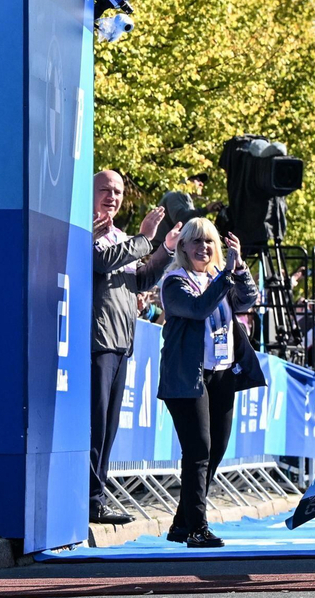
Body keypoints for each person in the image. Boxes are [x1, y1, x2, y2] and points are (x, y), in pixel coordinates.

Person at [158, 218, 265, 548]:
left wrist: (240, 268)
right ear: (183, 246)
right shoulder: (174, 281)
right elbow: (198, 308)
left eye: (209, 242)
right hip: (187, 376)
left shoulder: (221, 277)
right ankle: (197, 528)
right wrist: (225, 277)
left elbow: (247, 300)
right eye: (196, 241)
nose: (203, 248)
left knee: (215, 449)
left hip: (222, 374)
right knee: (198, 451)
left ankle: (182, 523)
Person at [89, 170, 177, 526]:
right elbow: (100, 261)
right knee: (95, 425)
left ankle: (96, 498)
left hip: (122, 341)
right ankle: (89, 499)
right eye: (105, 190)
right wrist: (144, 238)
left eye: (118, 192)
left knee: (108, 428)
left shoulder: (121, 238)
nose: (113, 197)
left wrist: (165, 248)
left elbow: (140, 278)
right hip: (97, 340)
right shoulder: (86, 230)